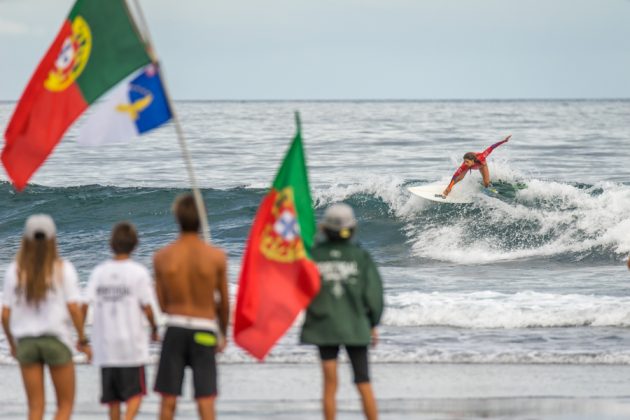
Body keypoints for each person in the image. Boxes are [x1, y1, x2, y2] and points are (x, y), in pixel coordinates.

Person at [1, 214, 90, 420]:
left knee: (35, 409)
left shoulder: (15, 271)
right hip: (56, 341)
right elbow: (74, 309)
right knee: (64, 406)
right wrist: (82, 339)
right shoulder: (62, 269)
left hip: (27, 343)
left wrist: (13, 344)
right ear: (52, 239)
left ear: (25, 239)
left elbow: (5, 315)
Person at [301, 203, 384, 420]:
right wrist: (373, 323)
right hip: (356, 327)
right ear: (352, 228)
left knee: (329, 385)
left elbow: (301, 290)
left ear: (324, 228)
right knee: (363, 382)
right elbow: (374, 295)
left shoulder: (313, 255)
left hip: (323, 325)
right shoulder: (361, 256)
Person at [153, 194, 229, 420]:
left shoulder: (163, 256)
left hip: (175, 330)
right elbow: (224, 304)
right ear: (203, 217)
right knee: (205, 401)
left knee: (168, 401)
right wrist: (223, 334)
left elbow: (163, 304)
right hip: (204, 332)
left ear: (177, 217)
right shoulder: (216, 256)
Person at [82, 222, 159, 420]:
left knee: (113, 400)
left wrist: (82, 337)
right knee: (136, 394)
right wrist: (154, 328)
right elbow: (147, 307)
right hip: (131, 347)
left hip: (105, 346)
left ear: (111, 244)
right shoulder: (138, 272)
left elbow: (84, 305)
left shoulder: (99, 272)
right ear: (135, 244)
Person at [442, 134, 511, 197]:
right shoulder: (465, 165)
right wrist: (449, 186)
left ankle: (488, 187)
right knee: (460, 178)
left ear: (472, 161)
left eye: (467, 162)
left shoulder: (482, 156)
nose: (465, 163)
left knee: (486, 183)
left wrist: (504, 141)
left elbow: (492, 147)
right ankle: (448, 189)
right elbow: (455, 176)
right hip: (472, 165)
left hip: (482, 165)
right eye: (464, 161)